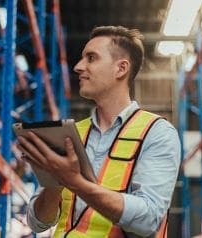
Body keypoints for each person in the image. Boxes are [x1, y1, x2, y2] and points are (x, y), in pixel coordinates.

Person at [17, 26, 181, 237]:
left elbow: (148, 219)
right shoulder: (71, 134)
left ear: (121, 69)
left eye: (91, 58)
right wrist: (54, 182)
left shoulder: (157, 133)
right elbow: (38, 223)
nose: (78, 67)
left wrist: (75, 182)